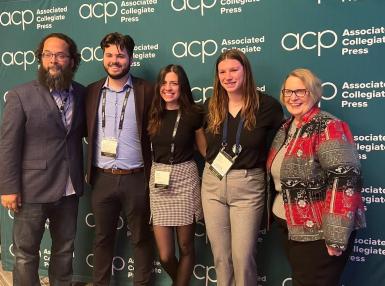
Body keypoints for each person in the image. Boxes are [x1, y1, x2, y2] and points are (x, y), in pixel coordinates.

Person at [266, 68, 366, 286]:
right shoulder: (286, 128)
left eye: (300, 91)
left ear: (314, 93)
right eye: (288, 92)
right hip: (293, 228)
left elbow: (346, 179)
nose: (293, 97)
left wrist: (336, 235)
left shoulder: (328, 126)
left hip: (320, 233)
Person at [0, 33, 85, 286]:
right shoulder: (20, 95)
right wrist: (8, 188)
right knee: (26, 254)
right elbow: (8, 145)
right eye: (47, 54)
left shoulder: (81, 93)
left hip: (69, 188)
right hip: (32, 188)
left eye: (60, 55)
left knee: (64, 250)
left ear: (72, 61)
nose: (53, 60)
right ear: (40, 58)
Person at [201, 49, 283, 285]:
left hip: (248, 185)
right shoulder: (210, 106)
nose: (228, 76)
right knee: (221, 256)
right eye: (222, 72)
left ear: (245, 71)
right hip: (212, 182)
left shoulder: (267, 106)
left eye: (234, 69)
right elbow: (201, 137)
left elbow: (280, 144)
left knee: (243, 256)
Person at [85, 32, 154, 286]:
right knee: (102, 238)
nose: (115, 60)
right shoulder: (91, 91)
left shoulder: (147, 90)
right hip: (102, 177)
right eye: (110, 55)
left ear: (130, 59)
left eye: (121, 55)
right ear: (103, 57)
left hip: (137, 178)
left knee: (141, 238)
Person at [147, 64, 206, 285]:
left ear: (182, 87)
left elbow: (204, 150)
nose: (168, 87)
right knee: (165, 256)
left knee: (186, 247)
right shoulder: (152, 113)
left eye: (174, 83)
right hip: (159, 181)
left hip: (185, 179)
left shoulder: (194, 114)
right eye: (164, 83)